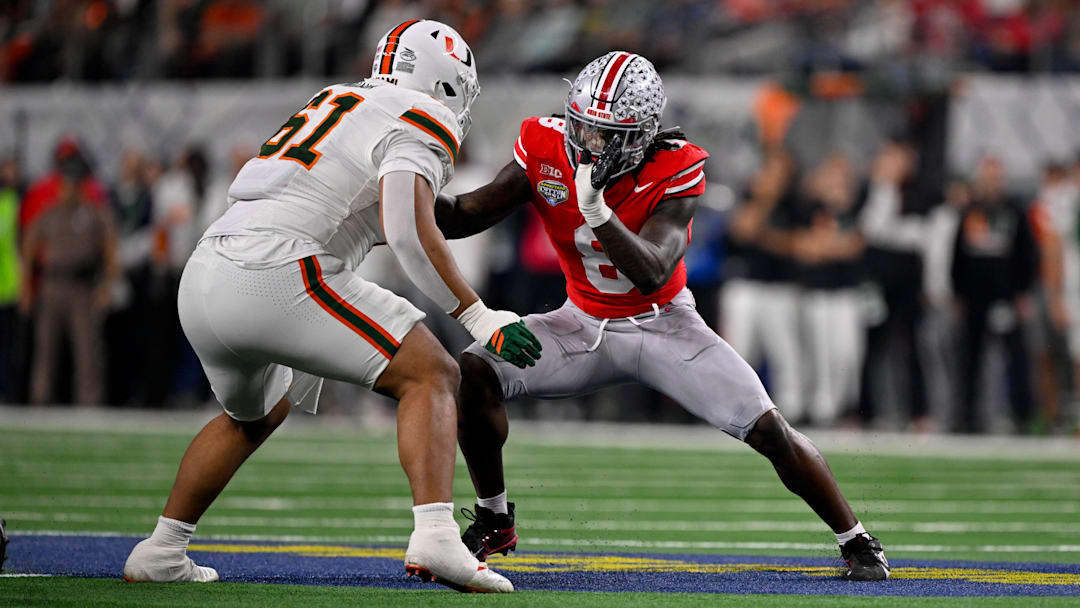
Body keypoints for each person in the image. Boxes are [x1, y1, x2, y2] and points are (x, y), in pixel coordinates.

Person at [436, 51, 890, 581]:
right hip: (580, 324)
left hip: (664, 326)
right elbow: (469, 213)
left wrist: (597, 213)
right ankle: (494, 517)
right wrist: (398, 201)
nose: (589, 145)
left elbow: (651, 270)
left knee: (769, 430)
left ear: (642, 135)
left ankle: (858, 541)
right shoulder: (544, 144)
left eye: (607, 135)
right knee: (474, 369)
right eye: (583, 127)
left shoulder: (677, 166)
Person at [122, 20, 537, 593]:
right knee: (433, 372)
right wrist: (477, 315)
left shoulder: (340, 99)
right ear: (446, 82)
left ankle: (161, 550)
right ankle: (437, 536)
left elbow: (413, 217)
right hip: (278, 269)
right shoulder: (422, 114)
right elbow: (409, 229)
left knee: (256, 414)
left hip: (207, 269)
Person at [951, 155, 1039, 434]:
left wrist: (1024, 292)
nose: (991, 182)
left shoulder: (1014, 210)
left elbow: (1028, 253)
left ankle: (1023, 415)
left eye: (995, 176)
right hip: (975, 298)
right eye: (986, 177)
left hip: (1007, 296)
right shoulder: (969, 211)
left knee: (1016, 358)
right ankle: (966, 416)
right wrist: (958, 292)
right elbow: (958, 255)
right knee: (970, 359)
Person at [20, 164, 118, 405]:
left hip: (82, 285)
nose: (68, 191)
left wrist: (106, 286)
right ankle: (40, 398)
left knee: (87, 348)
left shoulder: (93, 214)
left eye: (73, 186)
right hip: (52, 284)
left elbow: (110, 251)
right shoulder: (49, 214)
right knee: (46, 347)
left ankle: (90, 401)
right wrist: (26, 287)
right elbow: (30, 247)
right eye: (65, 186)